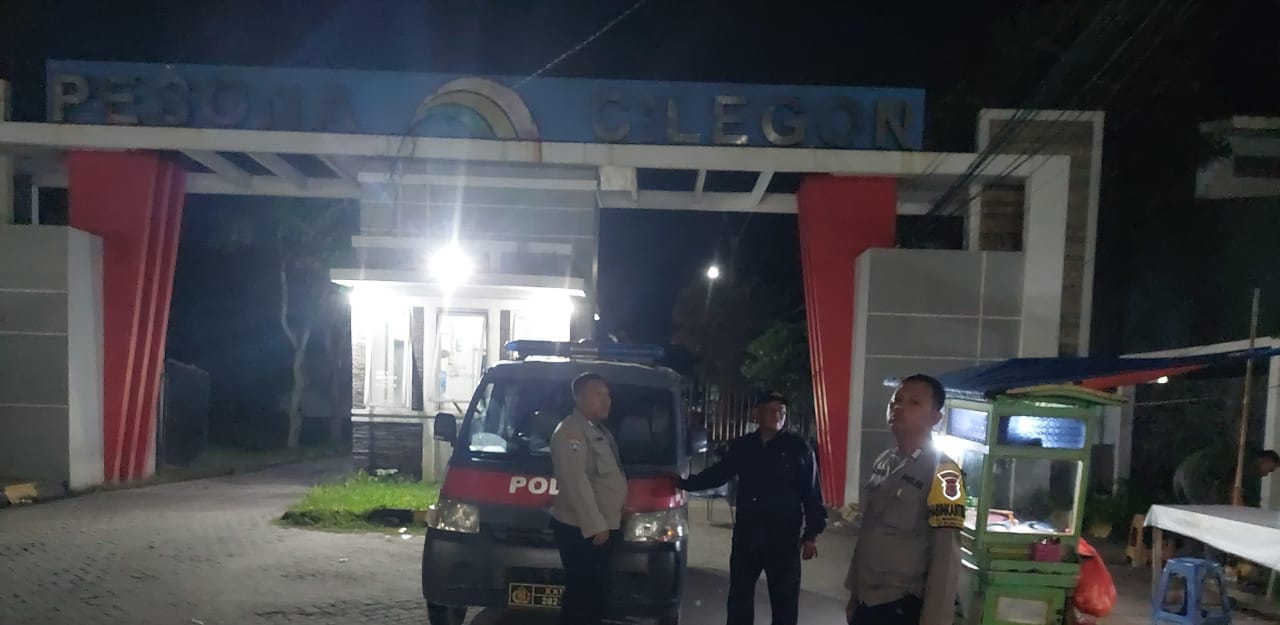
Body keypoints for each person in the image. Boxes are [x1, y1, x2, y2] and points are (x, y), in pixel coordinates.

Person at [677, 391, 826, 625]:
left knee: (785, 603)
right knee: (740, 598)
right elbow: (719, 473)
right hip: (748, 537)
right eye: (771, 410)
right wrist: (685, 483)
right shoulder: (745, 446)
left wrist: (811, 535)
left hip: (783, 540)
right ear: (757, 414)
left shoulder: (799, 449)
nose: (777, 415)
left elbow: (812, 493)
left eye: (782, 411)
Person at [845, 374, 963, 625]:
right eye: (896, 400)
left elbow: (946, 558)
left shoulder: (942, 472)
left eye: (914, 402)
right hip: (868, 601)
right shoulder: (885, 461)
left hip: (902, 604)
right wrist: (854, 593)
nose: (899, 407)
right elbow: (868, 532)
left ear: (935, 418)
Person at [549, 372, 628, 625]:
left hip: (600, 526)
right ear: (578, 397)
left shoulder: (597, 430)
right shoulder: (571, 432)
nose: (606, 400)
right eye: (597, 395)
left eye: (607, 395)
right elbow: (575, 481)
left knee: (595, 596)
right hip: (583, 530)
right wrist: (595, 525)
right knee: (583, 596)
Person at [1172, 445, 1279, 507]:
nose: (1266, 474)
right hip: (1198, 476)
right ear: (1265, 460)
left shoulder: (1238, 453)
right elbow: (1235, 491)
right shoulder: (1248, 464)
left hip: (1181, 472)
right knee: (1216, 514)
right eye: (1269, 470)